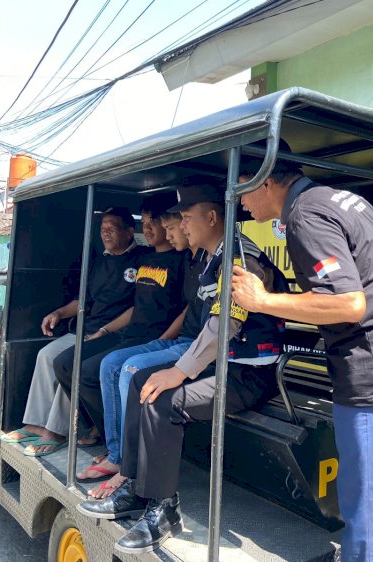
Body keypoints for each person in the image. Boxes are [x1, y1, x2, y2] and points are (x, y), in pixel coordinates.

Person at [230, 142, 373, 562]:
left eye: (242, 190)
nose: (241, 201)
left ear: (265, 181)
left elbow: (350, 304)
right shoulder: (344, 199)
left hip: (371, 374)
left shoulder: (303, 216)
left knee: (367, 514)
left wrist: (262, 300)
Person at [76, 184, 289, 554]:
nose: (182, 225)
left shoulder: (240, 260)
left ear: (211, 218)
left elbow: (226, 324)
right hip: (224, 364)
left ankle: (163, 509)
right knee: (140, 378)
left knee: (163, 400)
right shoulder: (215, 257)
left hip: (248, 373)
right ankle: (133, 483)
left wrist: (180, 371)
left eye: (187, 218)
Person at [76, 201, 208, 496]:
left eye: (177, 224)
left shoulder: (201, 261)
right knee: (110, 364)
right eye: (177, 224)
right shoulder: (192, 259)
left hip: (189, 344)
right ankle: (117, 453)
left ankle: (129, 468)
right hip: (168, 340)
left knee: (131, 368)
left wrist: (159, 342)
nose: (177, 230)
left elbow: (191, 313)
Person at [48, 194, 187, 456]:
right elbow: (134, 304)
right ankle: (100, 426)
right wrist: (104, 330)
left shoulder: (181, 260)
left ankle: (115, 442)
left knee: (92, 371)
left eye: (155, 223)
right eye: (144, 223)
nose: (148, 229)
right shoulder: (144, 258)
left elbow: (185, 309)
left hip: (153, 338)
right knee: (64, 363)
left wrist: (163, 341)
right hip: (126, 332)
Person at [0, 206, 148, 452]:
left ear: (130, 231)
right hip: (86, 329)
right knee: (45, 355)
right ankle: (35, 424)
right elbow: (82, 301)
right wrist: (57, 313)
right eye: (102, 229)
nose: (106, 233)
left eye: (112, 228)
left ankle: (57, 430)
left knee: (67, 363)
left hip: (113, 334)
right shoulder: (100, 262)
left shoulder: (141, 259)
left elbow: (138, 307)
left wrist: (106, 330)